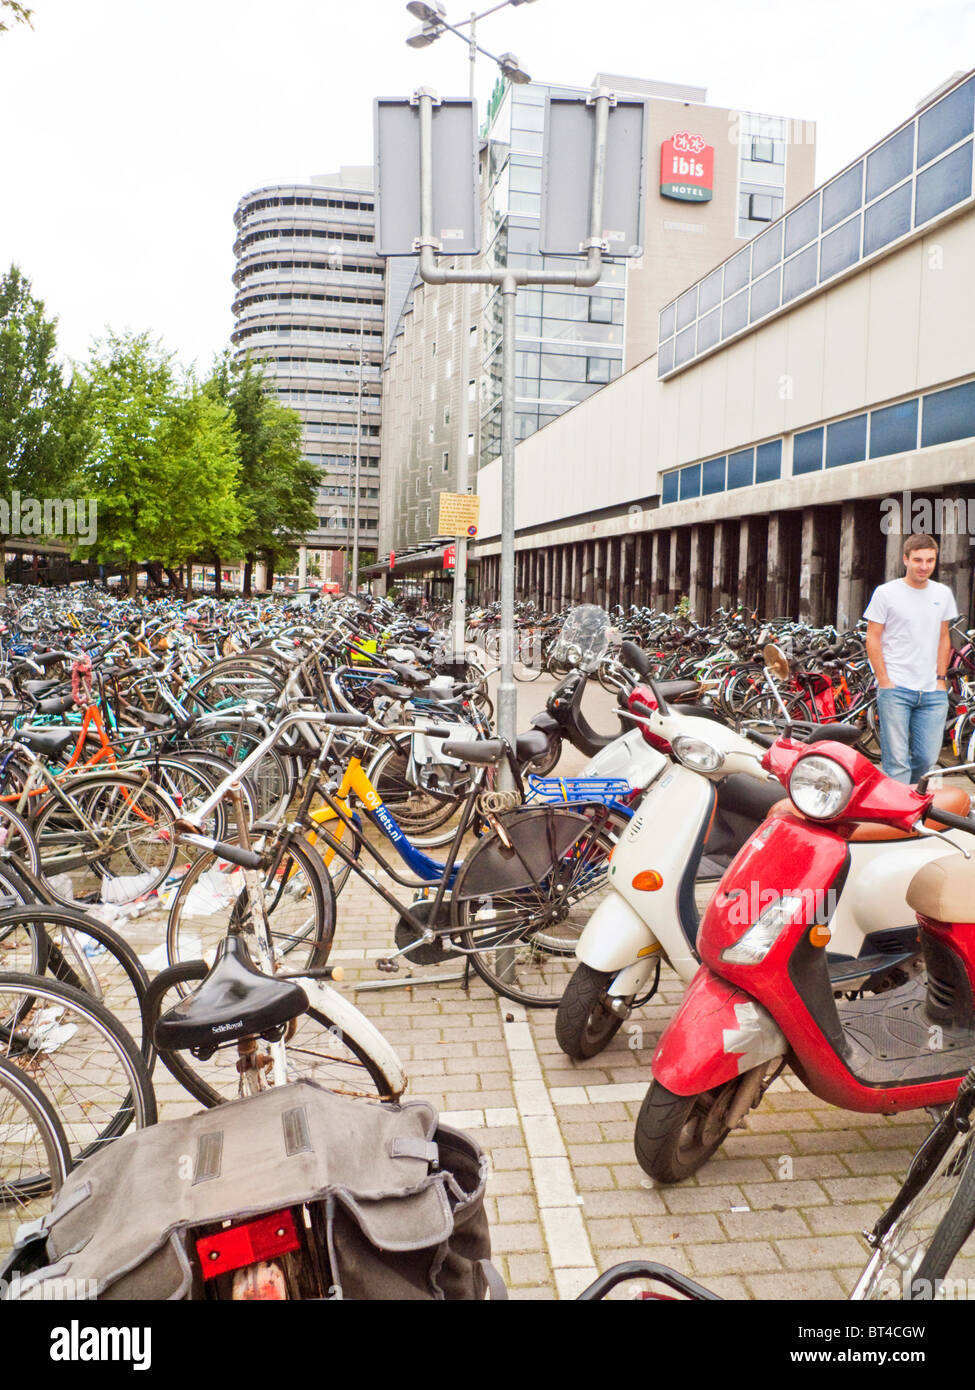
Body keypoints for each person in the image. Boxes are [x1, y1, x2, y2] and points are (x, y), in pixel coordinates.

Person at [863, 534, 959, 784]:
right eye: (918, 560)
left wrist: (941, 679)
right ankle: (898, 817)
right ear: (905, 559)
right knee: (896, 763)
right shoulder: (886, 593)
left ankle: (906, 800)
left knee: (927, 759)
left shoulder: (943, 593)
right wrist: (883, 679)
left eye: (930, 560)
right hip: (896, 687)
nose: (924, 566)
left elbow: (943, 637)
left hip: (932, 691)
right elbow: (872, 638)